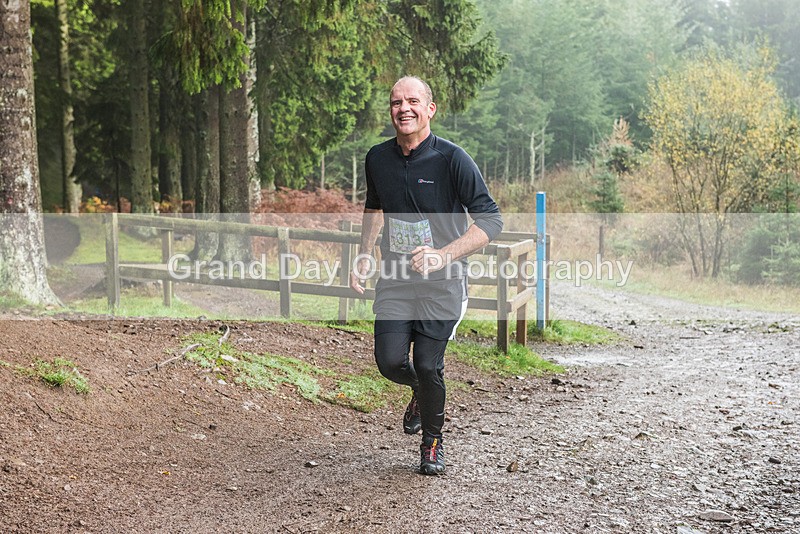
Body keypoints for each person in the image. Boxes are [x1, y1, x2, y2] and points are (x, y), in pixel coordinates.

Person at [350, 76, 503, 475]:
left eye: (413, 101)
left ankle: (431, 443)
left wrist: (442, 256)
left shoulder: (452, 159)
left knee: (431, 365)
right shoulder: (377, 158)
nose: (404, 108)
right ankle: (419, 389)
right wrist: (364, 255)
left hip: (443, 282)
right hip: (397, 278)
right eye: (397, 102)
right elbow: (373, 207)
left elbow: (491, 221)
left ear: (430, 109)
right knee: (388, 361)